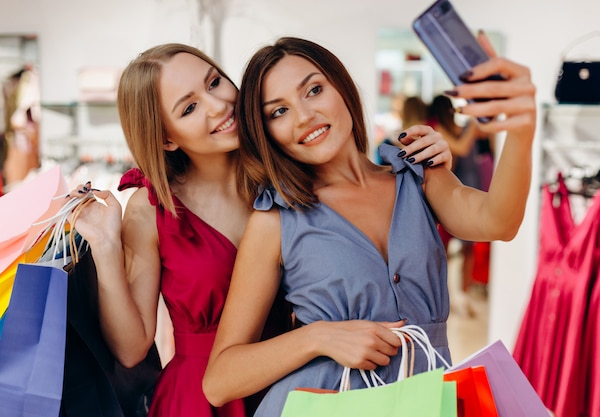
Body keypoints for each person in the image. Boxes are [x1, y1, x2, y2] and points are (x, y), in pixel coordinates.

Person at [68, 43, 453, 417]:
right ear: (166, 138)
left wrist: (434, 162)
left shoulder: (288, 178)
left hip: (308, 382)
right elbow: (132, 348)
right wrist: (104, 245)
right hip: (203, 398)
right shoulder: (154, 207)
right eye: (189, 107)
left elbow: (367, 198)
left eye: (215, 82)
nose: (219, 105)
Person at [203, 35, 536, 417]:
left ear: (341, 86)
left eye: (313, 90)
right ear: (266, 133)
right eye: (278, 112)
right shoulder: (276, 219)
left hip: (426, 399)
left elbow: (499, 221)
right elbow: (220, 381)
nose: (304, 116)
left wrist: (521, 131)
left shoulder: (417, 175)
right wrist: (319, 337)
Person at [427, 94, 496, 316]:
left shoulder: (455, 128)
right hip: (445, 195)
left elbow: (490, 139)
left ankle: (462, 295)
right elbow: (462, 148)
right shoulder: (436, 128)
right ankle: (444, 297)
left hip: (466, 188)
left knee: (467, 248)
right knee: (441, 252)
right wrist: (474, 125)